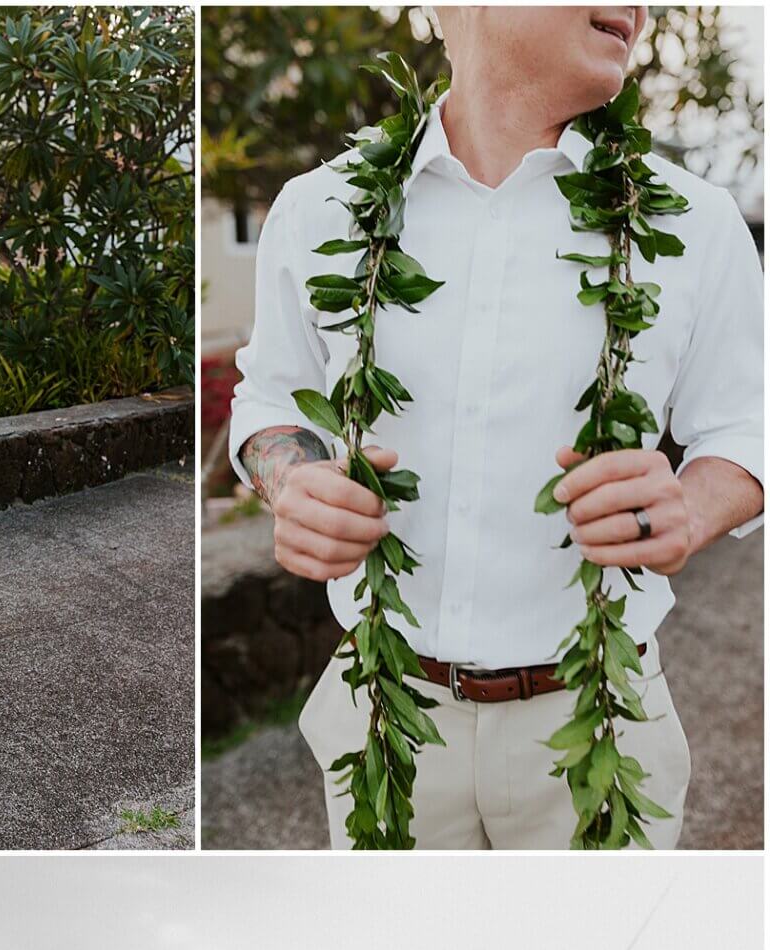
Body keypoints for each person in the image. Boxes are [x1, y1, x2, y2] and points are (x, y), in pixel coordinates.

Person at [230, 7, 763, 851]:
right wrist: (289, 477)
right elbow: (269, 401)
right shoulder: (319, 210)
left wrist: (693, 507)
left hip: (603, 731)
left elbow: (749, 425)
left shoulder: (695, 224)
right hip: (384, 726)